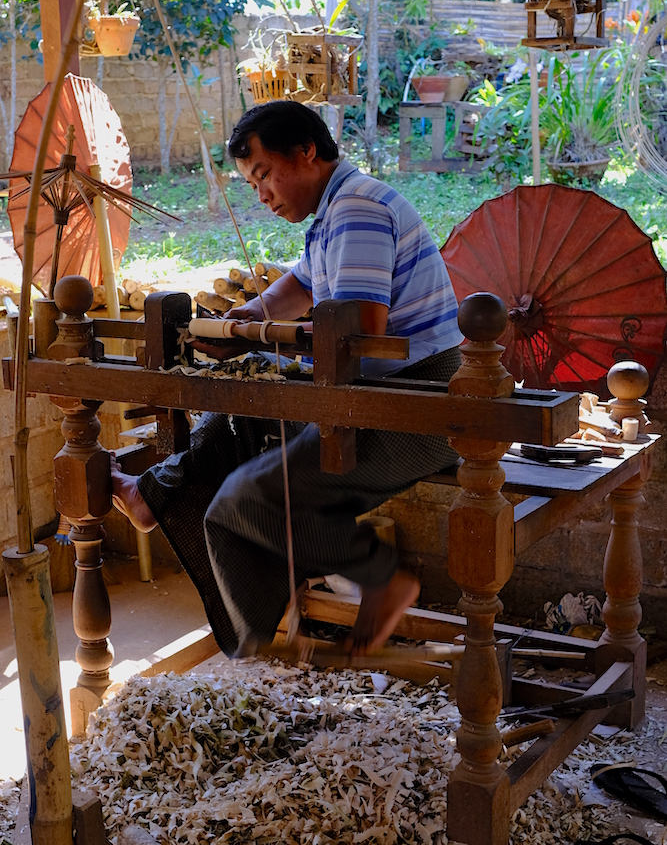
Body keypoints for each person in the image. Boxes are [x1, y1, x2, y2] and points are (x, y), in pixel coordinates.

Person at [112, 100, 464, 658]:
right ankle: (162, 505)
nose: (263, 195)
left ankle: (314, 617)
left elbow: (357, 330)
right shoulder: (333, 214)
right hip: (381, 394)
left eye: (265, 176)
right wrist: (249, 321)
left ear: (306, 152)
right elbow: (299, 286)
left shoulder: (356, 209)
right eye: (253, 184)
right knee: (235, 426)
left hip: (418, 405)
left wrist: (256, 342)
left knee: (243, 504)